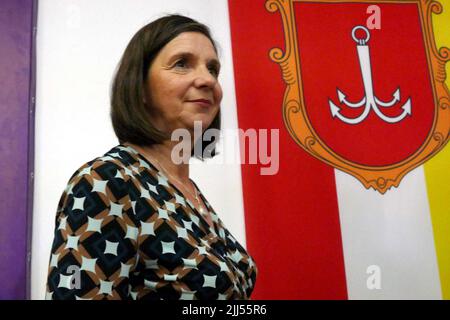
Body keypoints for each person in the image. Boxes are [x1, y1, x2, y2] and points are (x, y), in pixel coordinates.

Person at [45, 14, 257, 300]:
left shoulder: (188, 192)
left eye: (213, 69)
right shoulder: (107, 182)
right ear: (140, 86)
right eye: (182, 63)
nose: (207, 79)